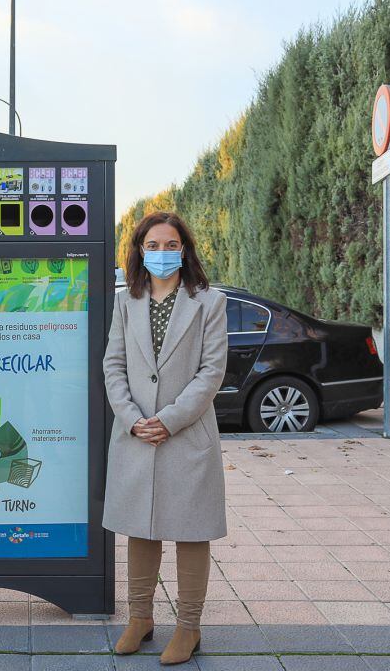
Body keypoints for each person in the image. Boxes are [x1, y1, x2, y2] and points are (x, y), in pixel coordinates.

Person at [102, 211, 228, 666]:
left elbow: (211, 372)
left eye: (169, 244)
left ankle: (189, 628)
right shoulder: (126, 301)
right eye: (151, 245)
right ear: (138, 251)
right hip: (136, 432)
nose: (160, 253)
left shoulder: (208, 302)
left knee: (191, 531)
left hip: (186, 434)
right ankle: (140, 619)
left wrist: (168, 420)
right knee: (141, 527)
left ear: (184, 249)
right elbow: (113, 365)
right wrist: (134, 418)